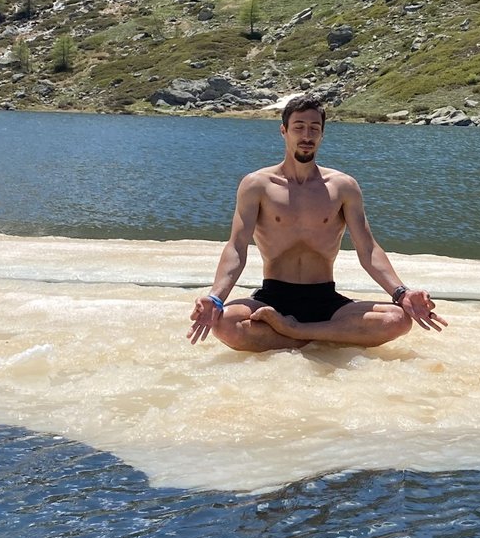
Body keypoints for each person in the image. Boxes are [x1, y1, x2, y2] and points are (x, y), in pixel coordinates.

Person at [186, 95, 446, 351]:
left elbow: (368, 249)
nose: (307, 136)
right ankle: (321, 335)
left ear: (322, 134)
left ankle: (295, 332)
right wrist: (216, 298)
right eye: (298, 127)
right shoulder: (257, 185)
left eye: (314, 128)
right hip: (273, 296)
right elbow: (237, 247)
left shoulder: (343, 186)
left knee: (398, 320)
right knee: (224, 323)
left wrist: (402, 293)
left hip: (325, 298)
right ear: (284, 131)